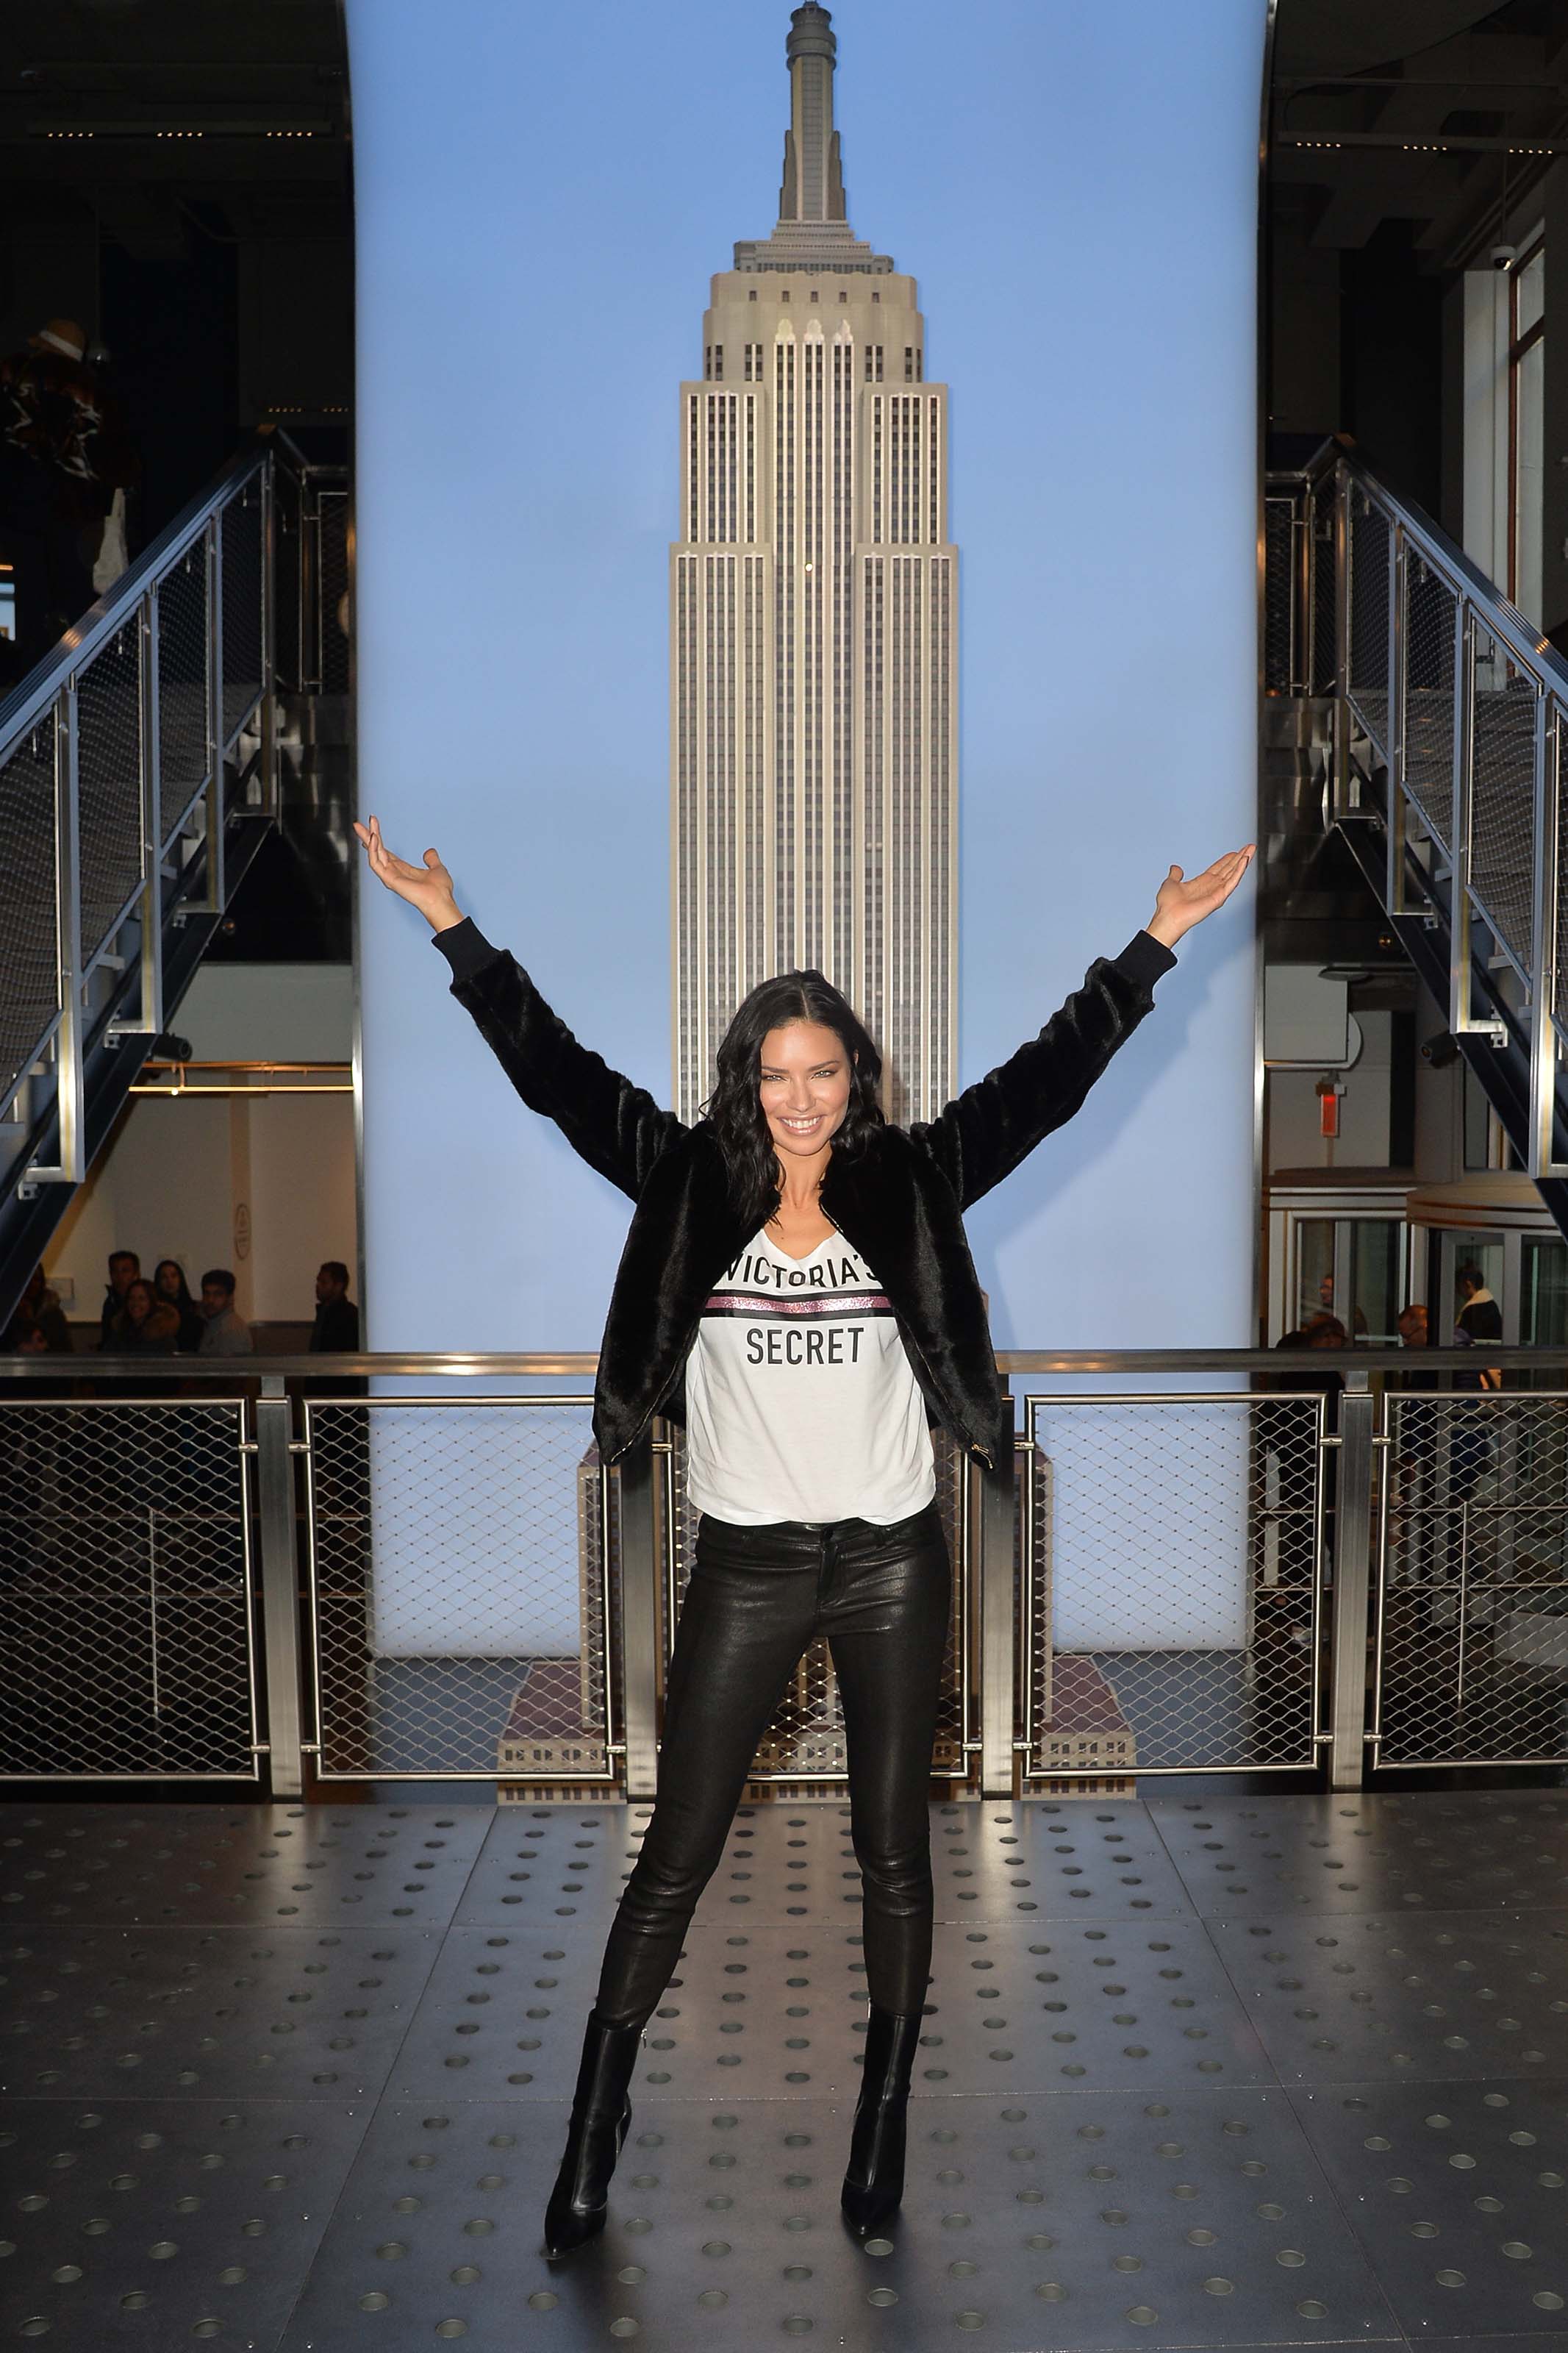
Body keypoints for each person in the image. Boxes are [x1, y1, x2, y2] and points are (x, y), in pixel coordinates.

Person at [355, 809, 1256, 2257]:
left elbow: (1045, 1087)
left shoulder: (908, 1179)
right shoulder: (686, 1177)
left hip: (895, 1558)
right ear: (745, 1081)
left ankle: (882, 2111)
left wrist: (1152, 943)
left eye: (820, 1070)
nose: (797, 1096)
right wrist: (453, 925)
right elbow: (554, 1076)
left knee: (891, 1853)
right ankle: (595, 2118)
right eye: (774, 1074)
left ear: (854, 1079)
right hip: (750, 1563)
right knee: (678, 1849)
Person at [0, 316, 135, 673]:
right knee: (75, 597)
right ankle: (73, 676)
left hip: (16, 506)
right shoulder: (93, 392)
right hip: (76, 510)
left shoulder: (13, 377)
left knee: (20, 592)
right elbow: (117, 461)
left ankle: (22, 676)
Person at [110, 1277, 181, 1354]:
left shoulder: (164, 1339)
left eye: (142, 1299)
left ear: (152, 1302)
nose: (135, 1303)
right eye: (131, 1298)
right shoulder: (119, 1335)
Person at [153, 1259, 205, 1353]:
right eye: (164, 1277)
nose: (170, 1281)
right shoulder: (157, 1309)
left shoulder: (195, 1307)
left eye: (174, 1276)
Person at [16, 1266, 72, 1354]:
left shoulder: (54, 1313)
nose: (32, 1284)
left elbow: (64, 1348)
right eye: (28, 1279)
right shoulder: (10, 1313)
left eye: (37, 1279)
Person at [198, 1269, 253, 1355]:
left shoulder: (231, 1330)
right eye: (207, 1294)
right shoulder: (211, 1323)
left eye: (218, 1294)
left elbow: (228, 1367)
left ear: (230, 1298)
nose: (210, 1300)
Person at [309, 1261, 360, 1352]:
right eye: (318, 1281)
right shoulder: (324, 1312)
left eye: (324, 1282)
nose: (318, 1286)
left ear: (338, 1286)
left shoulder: (349, 1316)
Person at [98, 1250, 140, 1347]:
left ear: (136, 1274)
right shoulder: (110, 1302)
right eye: (114, 1271)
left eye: (125, 1271)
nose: (119, 1276)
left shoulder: (145, 1302)